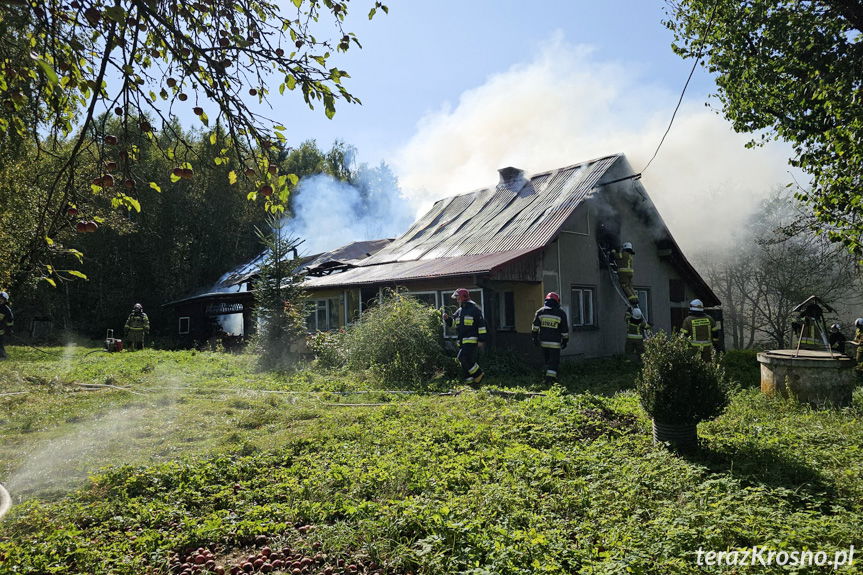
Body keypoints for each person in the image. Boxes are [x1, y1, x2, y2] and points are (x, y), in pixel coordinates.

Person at [443, 289, 487, 385]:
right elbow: (453, 324)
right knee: (465, 361)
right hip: (462, 341)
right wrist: (447, 319)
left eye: (458, 297)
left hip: (472, 340)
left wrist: (481, 339)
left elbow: (482, 325)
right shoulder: (459, 311)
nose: (457, 299)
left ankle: (479, 374)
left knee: (462, 357)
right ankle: (470, 382)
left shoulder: (474, 309)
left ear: (463, 297)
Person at [531, 292, 570, 384]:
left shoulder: (540, 312)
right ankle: (550, 380)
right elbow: (564, 330)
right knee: (554, 362)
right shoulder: (560, 313)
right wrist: (565, 340)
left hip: (543, 342)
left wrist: (535, 338)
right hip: (555, 343)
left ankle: (548, 377)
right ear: (557, 301)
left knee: (547, 361)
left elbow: (535, 328)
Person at [0, 292, 13, 360]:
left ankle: (3, 356)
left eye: (1, 299)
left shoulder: (6, 310)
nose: (0, 300)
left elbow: (10, 320)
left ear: (5, 300)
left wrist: (9, 329)